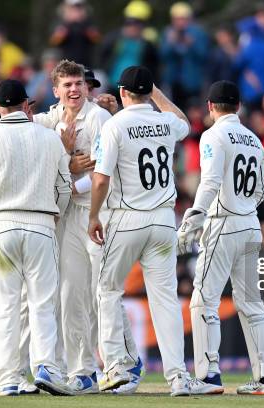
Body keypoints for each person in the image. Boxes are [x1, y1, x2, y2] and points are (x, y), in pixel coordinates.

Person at [0, 79, 72, 396]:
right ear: (25, 104)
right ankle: (46, 366)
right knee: (43, 303)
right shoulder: (49, 139)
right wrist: (54, 214)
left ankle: (7, 377)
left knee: (4, 305)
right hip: (41, 227)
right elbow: (64, 188)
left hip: (3, 227)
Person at [33, 60, 142, 395]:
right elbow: (22, 134)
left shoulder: (99, 119)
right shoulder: (50, 120)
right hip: (67, 216)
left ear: (87, 86)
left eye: (79, 84)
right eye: (67, 85)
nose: (74, 90)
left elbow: (100, 177)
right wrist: (65, 161)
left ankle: (124, 364)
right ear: (56, 91)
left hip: (99, 214)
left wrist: (65, 179)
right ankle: (83, 370)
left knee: (103, 291)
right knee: (70, 294)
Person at [88, 66, 191, 396]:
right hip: (163, 221)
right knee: (165, 300)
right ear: (149, 93)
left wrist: (93, 216)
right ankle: (178, 377)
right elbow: (183, 122)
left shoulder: (114, 125)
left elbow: (101, 178)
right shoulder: (165, 121)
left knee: (107, 289)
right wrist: (155, 91)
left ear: (121, 93)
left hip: (127, 218)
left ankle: (117, 367)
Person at [177, 80, 264, 396]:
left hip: (223, 223)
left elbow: (209, 181)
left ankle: (208, 377)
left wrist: (194, 217)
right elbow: (262, 191)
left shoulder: (213, 135)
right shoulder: (254, 140)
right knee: (252, 302)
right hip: (250, 224)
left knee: (203, 299)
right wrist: (243, 205)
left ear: (210, 107)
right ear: (238, 106)